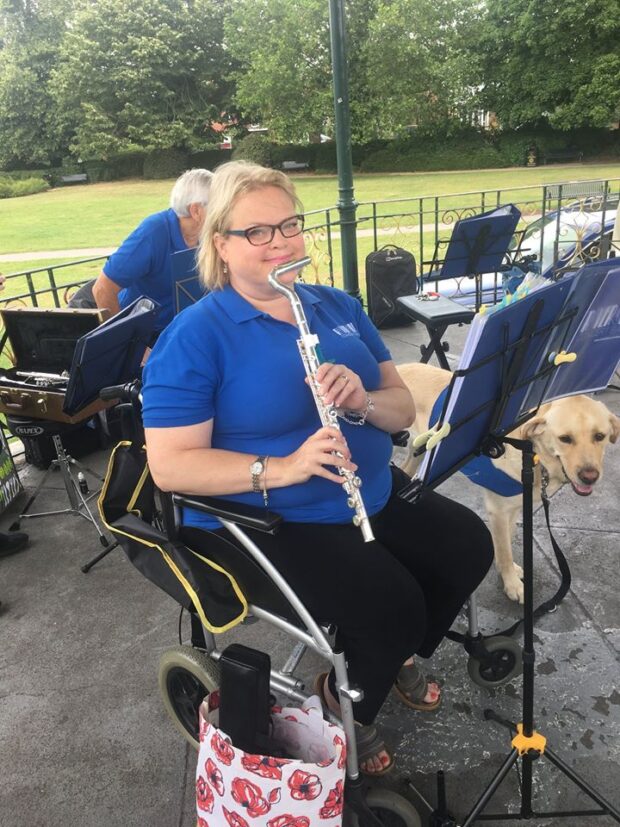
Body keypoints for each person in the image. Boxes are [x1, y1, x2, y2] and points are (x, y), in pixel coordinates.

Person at [141, 161, 494, 775]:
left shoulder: (336, 304)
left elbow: (399, 406)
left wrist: (362, 402)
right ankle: (344, 703)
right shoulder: (195, 336)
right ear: (220, 245)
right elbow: (171, 467)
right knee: (392, 607)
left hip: (370, 490)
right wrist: (283, 466)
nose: (280, 243)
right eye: (257, 232)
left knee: (467, 546)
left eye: (289, 226)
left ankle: (385, 659)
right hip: (268, 516)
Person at [92, 168, 213, 334]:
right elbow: (102, 289)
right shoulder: (153, 232)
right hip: (148, 333)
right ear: (196, 211)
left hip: (186, 328)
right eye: (218, 205)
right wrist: (128, 343)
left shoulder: (210, 235)